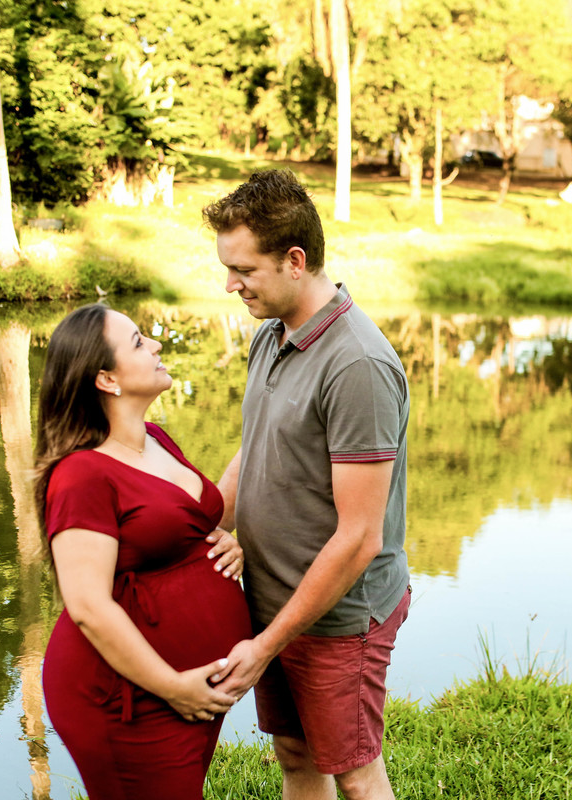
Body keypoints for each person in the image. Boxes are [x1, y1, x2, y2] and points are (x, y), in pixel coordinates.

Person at [203, 170, 411, 800]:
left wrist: (264, 646)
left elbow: (360, 537)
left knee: (356, 776)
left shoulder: (357, 365)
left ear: (295, 261)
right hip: (275, 603)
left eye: (244, 270)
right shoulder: (272, 334)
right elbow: (256, 445)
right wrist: (204, 527)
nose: (231, 284)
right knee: (295, 754)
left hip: (337, 616)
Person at [34, 303, 253, 800]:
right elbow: (88, 606)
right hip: (128, 697)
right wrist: (173, 687)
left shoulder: (155, 439)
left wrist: (223, 542)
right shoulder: (80, 475)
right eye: (137, 341)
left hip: (191, 688)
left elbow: (180, 527)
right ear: (106, 380)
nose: (155, 343)